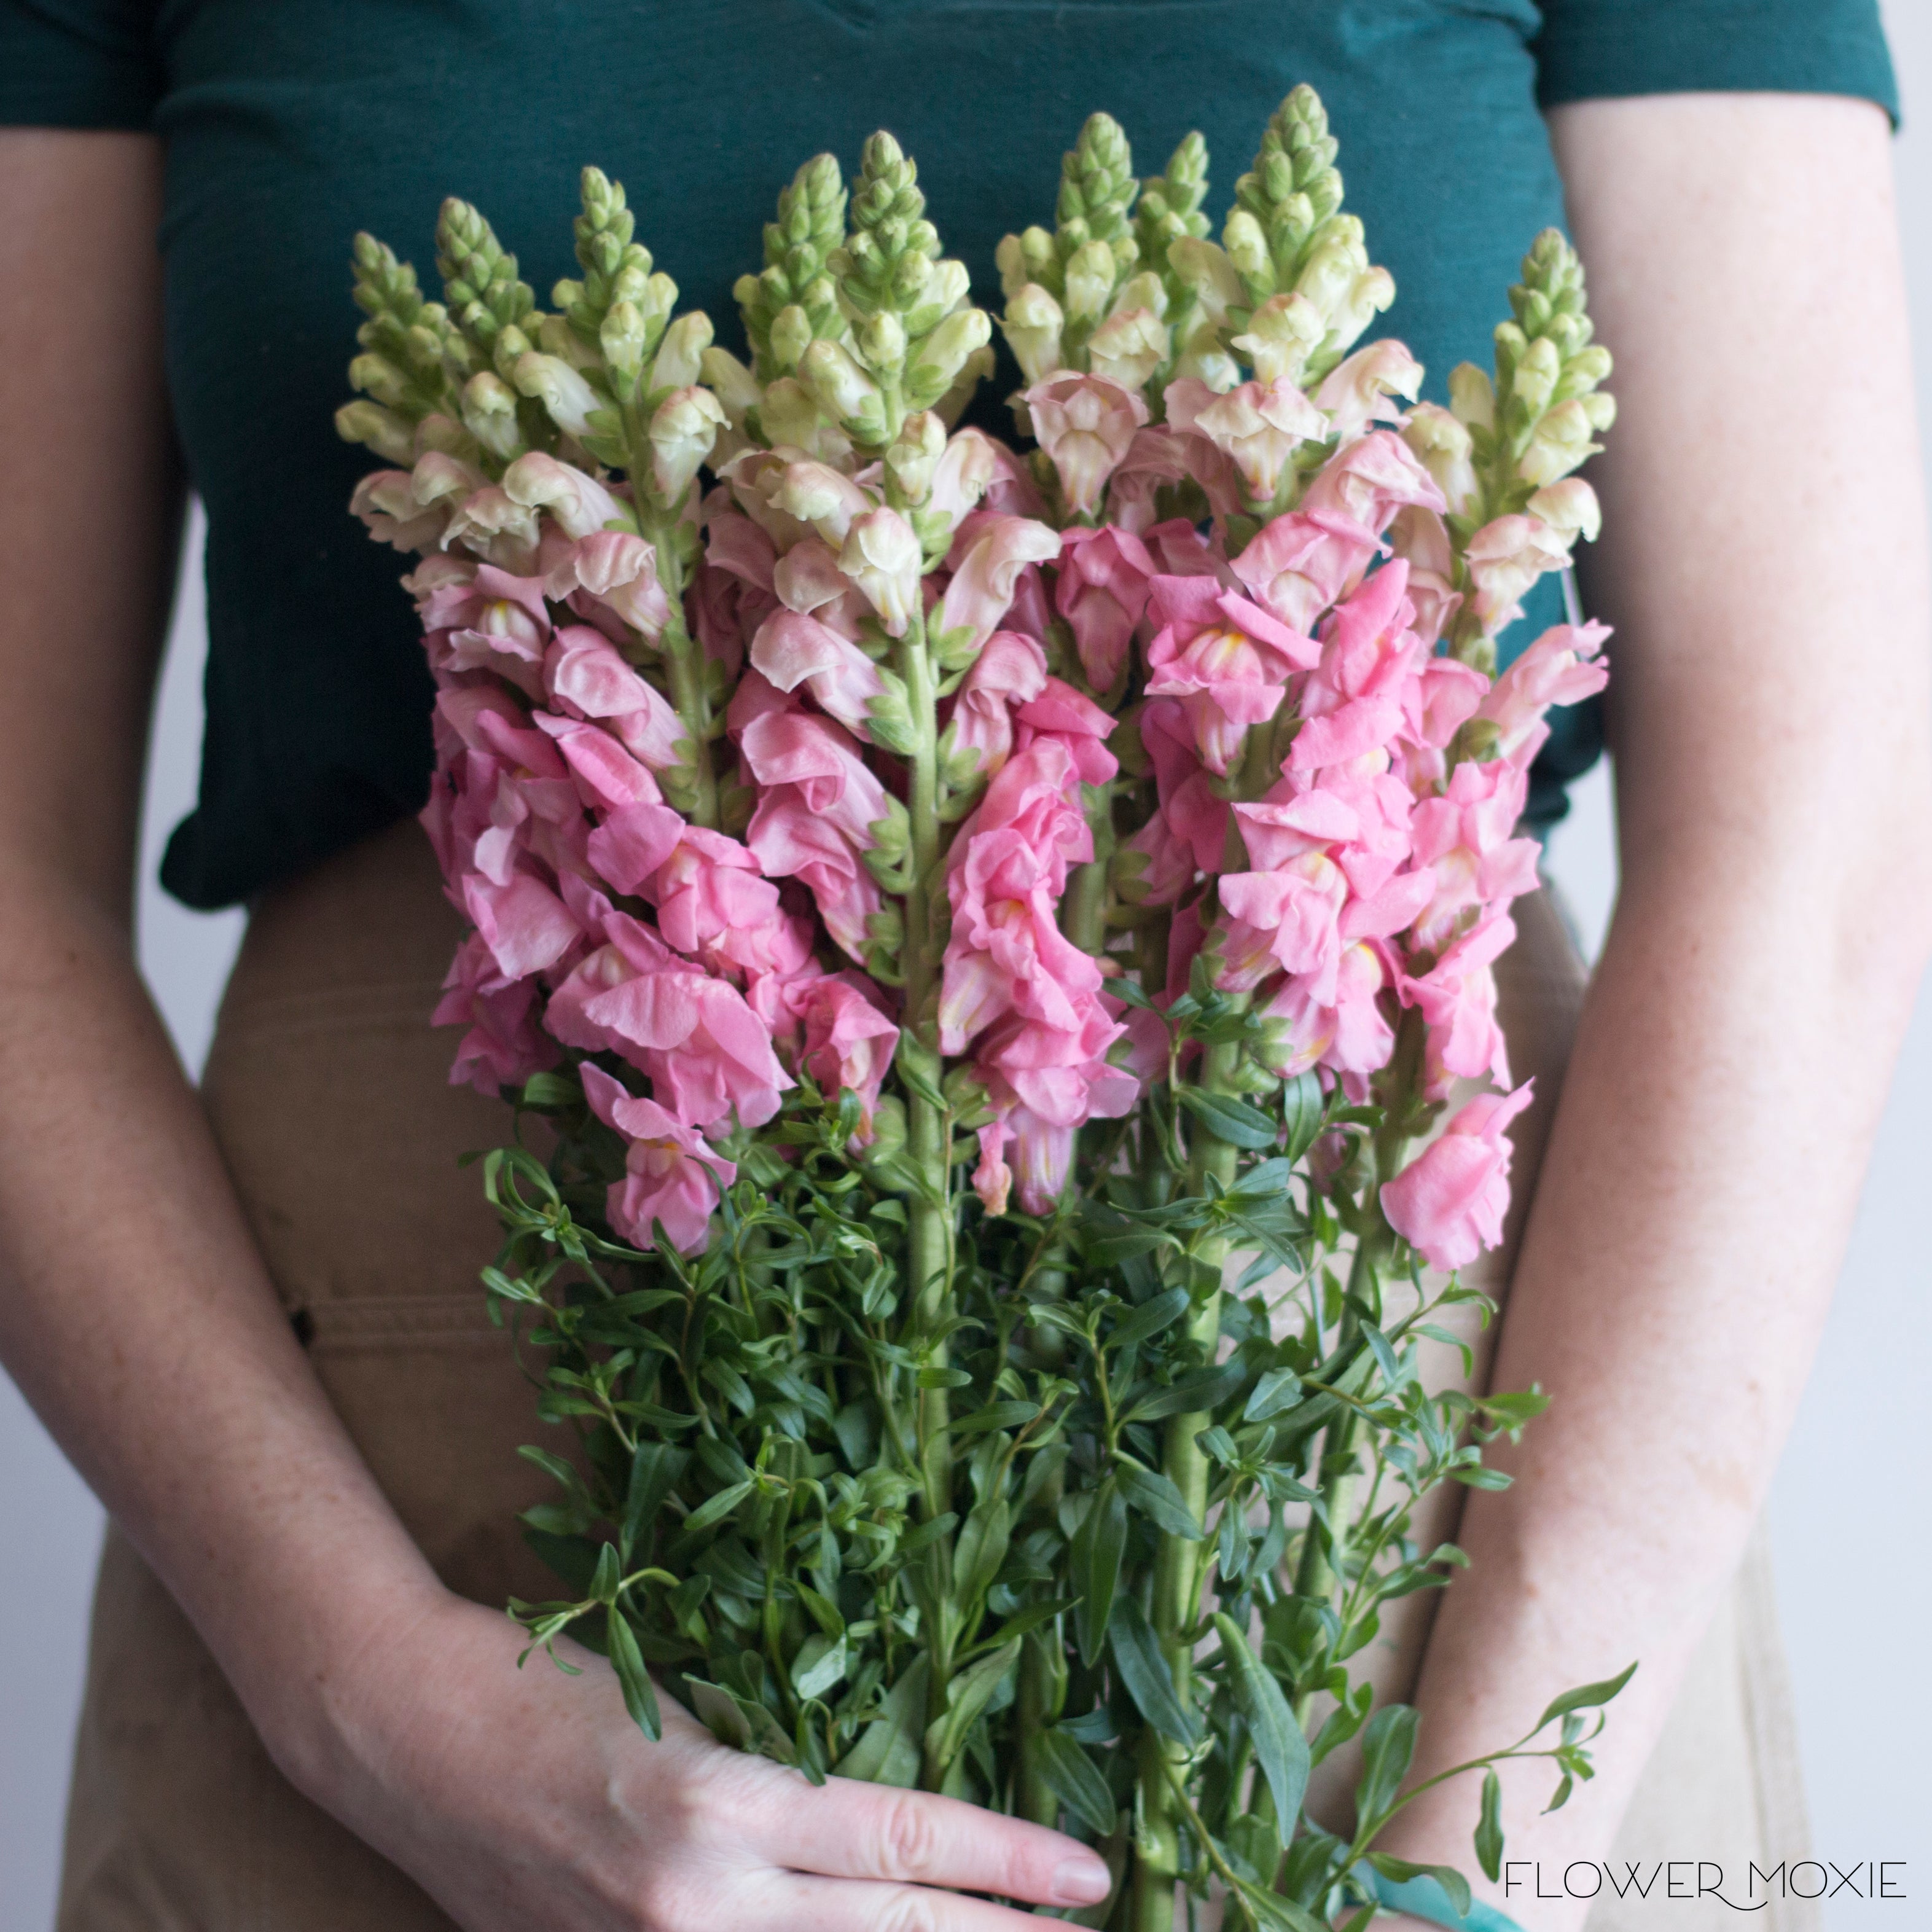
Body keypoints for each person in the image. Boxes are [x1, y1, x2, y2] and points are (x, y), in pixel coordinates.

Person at [0, 4, 1925, 1929]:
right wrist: (369, 1695)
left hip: (1407, 1523)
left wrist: (1480, 1859)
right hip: (438, 1521)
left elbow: (1806, 847)